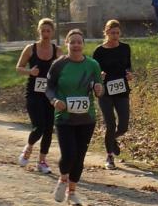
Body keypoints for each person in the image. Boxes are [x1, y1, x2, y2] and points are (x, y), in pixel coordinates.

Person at [46, 29, 103, 205]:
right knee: (69, 154)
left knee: (80, 157)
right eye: (73, 42)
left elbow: (98, 88)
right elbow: (49, 88)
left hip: (86, 118)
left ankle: (72, 192)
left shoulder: (93, 64)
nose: (76, 45)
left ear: (83, 44)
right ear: (67, 44)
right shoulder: (58, 65)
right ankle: (63, 178)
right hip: (64, 117)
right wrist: (54, 100)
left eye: (79, 42)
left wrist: (99, 89)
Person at [15, 18, 61, 173]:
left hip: (50, 95)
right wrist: (30, 71)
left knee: (48, 129)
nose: (45, 34)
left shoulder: (57, 51)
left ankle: (42, 161)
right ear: (39, 31)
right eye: (43, 31)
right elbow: (18, 67)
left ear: (52, 32)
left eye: (48, 31)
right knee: (39, 126)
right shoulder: (30, 49)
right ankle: (28, 148)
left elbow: (64, 70)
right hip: (33, 94)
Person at [92, 19, 133, 170]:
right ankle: (109, 156)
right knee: (110, 124)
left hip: (121, 89)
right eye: (112, 33)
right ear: (106, 32)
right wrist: (100, 75)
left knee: (123, 127)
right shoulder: (99, 51)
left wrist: (129, 73)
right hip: (105, 91)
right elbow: (93, 70)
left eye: (117, 33)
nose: (115, 36)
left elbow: (128, 66)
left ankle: (111, 139)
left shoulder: (125, 48)